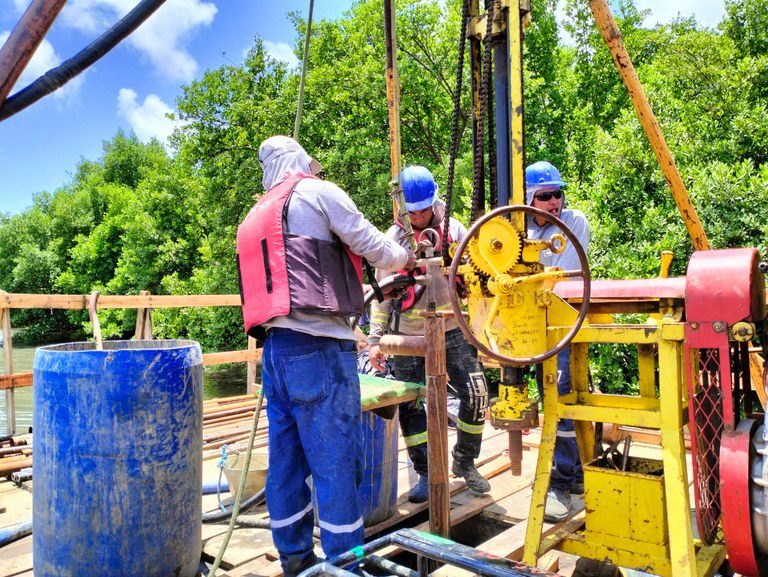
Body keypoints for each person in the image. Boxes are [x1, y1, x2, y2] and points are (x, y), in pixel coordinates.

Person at [237, 135, 416, 577]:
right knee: (336, 465)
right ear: (302, 162)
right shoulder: (318, 192)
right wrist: (408, 257)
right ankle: (344, 566)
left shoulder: (254, 216)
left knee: (286, 466)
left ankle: (297, 562)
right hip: (319, 350)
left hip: (275, 354)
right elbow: (373, 245)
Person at [368, 165, 490, 503]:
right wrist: (375, 340)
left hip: (453, 327)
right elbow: (381, 297)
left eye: (425, 209)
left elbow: (478, 274)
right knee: (411, 403)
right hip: (408, 334)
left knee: (477, 394)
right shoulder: (391, 242)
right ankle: (424, 472)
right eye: (413, 211)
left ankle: (464, 462)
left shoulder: (455, 229)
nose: (420, 216)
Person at [525, 160, 591, 522]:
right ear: (530, 198)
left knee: (560, 401)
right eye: (545, 195)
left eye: (557, 194)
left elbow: (560, 277)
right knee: (548, 399)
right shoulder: (516, 229)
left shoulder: (573, 223)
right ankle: (576, 477)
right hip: (531, 327)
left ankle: (563, 483)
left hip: (563, 324)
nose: (554, 201)